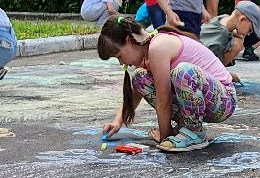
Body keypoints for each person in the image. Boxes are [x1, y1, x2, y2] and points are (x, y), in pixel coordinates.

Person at [98, 16, 236, 153]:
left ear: (129, 40)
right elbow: (136, 91)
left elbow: (163, 100)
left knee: (184, 72)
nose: (121, 63)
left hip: (223, 101)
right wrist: (118, 122)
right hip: (204, 102)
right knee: (140, 78)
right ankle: (184, 127)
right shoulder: (150, 49)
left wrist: (165, 138)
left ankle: (194, 132)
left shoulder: (158, 46)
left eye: (119, 56)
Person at [200, 0, 260, 68]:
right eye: (249, 30)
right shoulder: (221, 36)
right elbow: (207, 65)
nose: (248, 34)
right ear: (242, 19)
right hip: (199, 67)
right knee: (237, 44)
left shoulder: (223, 18)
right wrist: (226, 75)